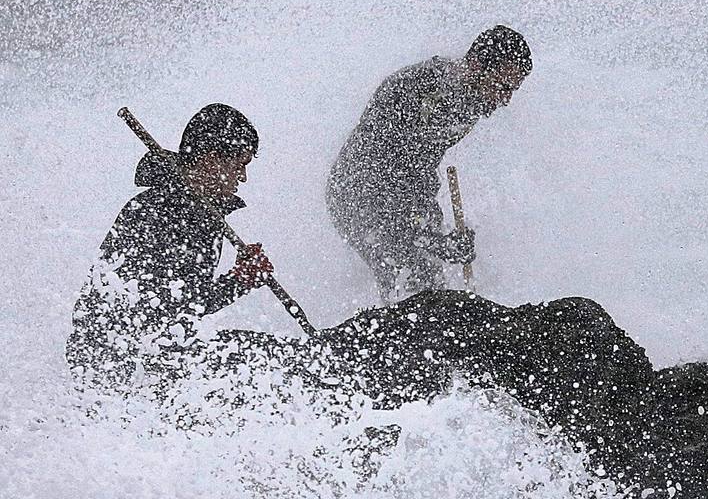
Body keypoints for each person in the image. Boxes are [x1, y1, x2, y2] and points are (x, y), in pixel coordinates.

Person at [67, 103, 276, 386]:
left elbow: (181, 305)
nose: (242, 177)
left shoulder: (193, 211)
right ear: (211, 159)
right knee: (258, 358)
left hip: (141, 356)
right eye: (239, 165)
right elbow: (174, 310)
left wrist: (240, 281)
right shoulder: (163, 212)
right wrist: (238, 281)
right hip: (117, 369)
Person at [327, 25, 533, 300]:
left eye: (512, 91)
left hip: (401, 190)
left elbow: (419, 170)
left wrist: (441, 235)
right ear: (475, 65)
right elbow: (389, 171)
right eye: (503, 87)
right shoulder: (419, 89)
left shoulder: (471, 100)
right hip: (355, 193)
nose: (505, 100)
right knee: (404, 279)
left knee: (431, 284)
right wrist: (432, 240)